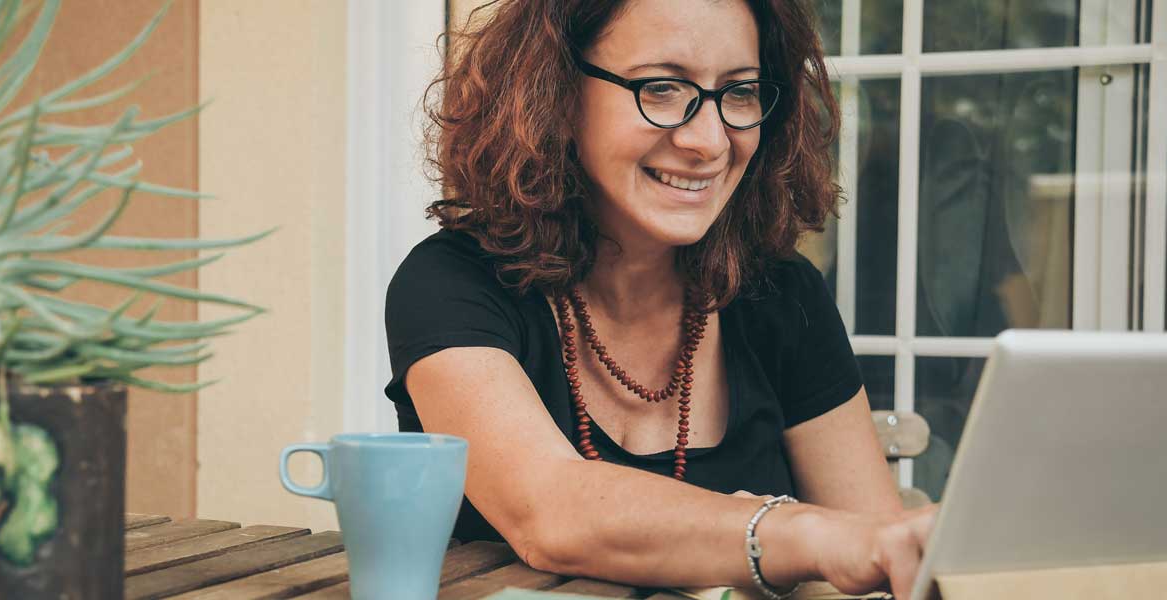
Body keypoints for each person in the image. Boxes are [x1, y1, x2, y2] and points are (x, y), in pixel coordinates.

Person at [384, 0, 936, 597]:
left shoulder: (780, 291)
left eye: (741, 92)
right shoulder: (451, 283)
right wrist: (799, 534)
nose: (709, 141)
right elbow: (548, 512)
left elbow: (884, 557)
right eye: (663, 88)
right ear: (555, 93)